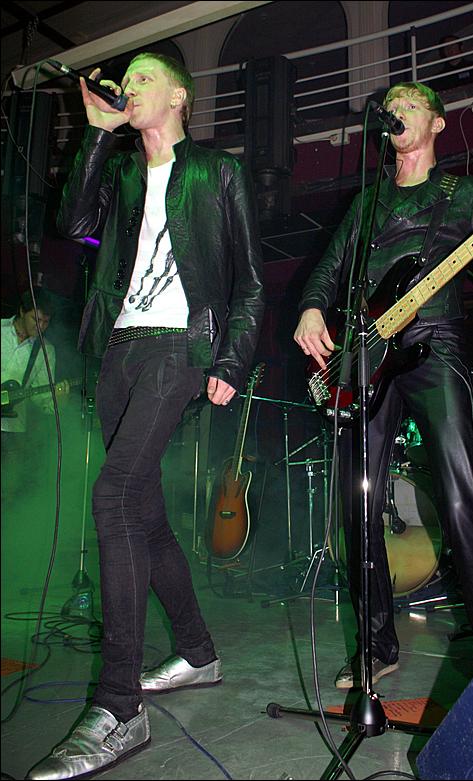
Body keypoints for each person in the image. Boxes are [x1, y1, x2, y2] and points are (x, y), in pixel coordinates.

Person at [27, 52, 264, 780]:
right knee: (145, 514)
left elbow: (251, 281)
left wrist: (230, 361)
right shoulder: (125, 172)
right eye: (125, 80)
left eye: (144, 78)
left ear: (180, 97)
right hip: (118, 351)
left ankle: (120, 705)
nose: (129, 87)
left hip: (178, 347)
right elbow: (72, 222)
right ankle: (197, 650)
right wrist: (97, 136)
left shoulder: (216, 171)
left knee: (114, 495)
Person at [294, 81, 473, 689]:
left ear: (437, 124)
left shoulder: (465, 194)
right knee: (358, 503)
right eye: (392, 106)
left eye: (410, 105)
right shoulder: (367, 202)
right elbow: (330, 267)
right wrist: (311, 308)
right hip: (367, 354)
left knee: (461, 497)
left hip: (435, 344)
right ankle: (376, 646)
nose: (397, 112)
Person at [1, 289, 71, 504]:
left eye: (45, 322)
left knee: (8, 491)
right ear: (22, 311)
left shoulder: (46, 351)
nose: (40, 327)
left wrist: (59, 401)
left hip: (12, 430)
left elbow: (44, 401)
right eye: (36, 319)